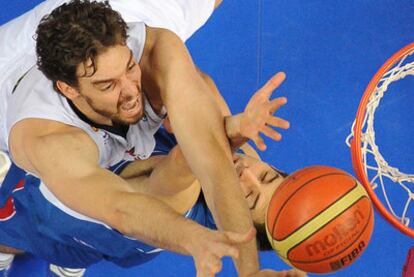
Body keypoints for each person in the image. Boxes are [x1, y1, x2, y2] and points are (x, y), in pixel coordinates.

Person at [0, 0, 299, 276]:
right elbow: (119, 207)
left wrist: (250, 272)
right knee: (43, 225)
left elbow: (214, 161)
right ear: (68, 89)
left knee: (82, 246)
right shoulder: (44, 137)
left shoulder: (156, 52)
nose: (132, 92)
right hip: (10, 82)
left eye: (130, 68)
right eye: (109, 85)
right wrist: (191, 238)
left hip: (97, 20)